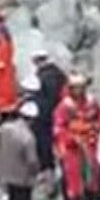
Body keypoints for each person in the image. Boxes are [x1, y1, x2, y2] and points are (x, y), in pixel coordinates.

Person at [0, 101, 38, 200]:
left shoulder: (5, 128)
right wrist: (35, 174)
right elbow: (32, 161)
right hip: (22, 178)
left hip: (5, 173)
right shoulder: (28, 138)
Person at [31, 50, 67, 178]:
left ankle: (47, 166)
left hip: (45, 116)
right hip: (59, 114)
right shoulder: (58, 73)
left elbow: (47, 98)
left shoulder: (43, 77)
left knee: (44, 141)